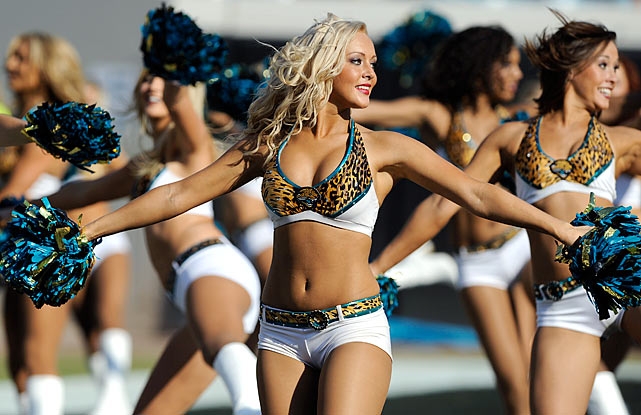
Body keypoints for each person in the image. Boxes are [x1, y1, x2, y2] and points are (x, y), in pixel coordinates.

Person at [63, 14, 586, 414]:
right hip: (279, 331)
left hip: (351, 326)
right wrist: (91, 228)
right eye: (358, 61)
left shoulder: (385, 148)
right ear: (324, 65)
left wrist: (560, 228)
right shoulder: (268, 145)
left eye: (374, 63)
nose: (371, 73)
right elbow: (179, 195)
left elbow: (477, 195)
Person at [365, 13, 641, 413]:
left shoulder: (624, 141)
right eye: (605, 65)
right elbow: (443, 203)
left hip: (625, 285)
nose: (614, 77)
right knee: (524, 396)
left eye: (616, 67)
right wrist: (379, 268)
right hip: (563, 307)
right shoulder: (511, 138)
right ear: (571, 67)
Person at [45, 71, 261, 415]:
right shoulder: (145, 164)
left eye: (161, 79)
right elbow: (84, 191)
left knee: (229, 357)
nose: (151, 86)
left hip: (209, 267)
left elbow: (179, 100)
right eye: (146, 79)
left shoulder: (192, 144)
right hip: (189, 287)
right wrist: (21, 208)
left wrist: (170, 60)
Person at [355, 26, 534, 414]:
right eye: (508, 64)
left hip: (520, 249)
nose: (518, 74)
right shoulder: (440, 115)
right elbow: (364, 110)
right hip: (476, 262)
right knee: (513, 383)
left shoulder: (516, 120)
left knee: (538, 375)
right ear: (481, 66)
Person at [1, 32, 132, 415]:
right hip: (40, 243)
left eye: (21, 57)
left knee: (36, 353)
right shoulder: (37, 122)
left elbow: (11, 196)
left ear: (46, 67)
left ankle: (113, 401)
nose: (9, 64)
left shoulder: (56, 123)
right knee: (26, 355)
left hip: (49, 245)